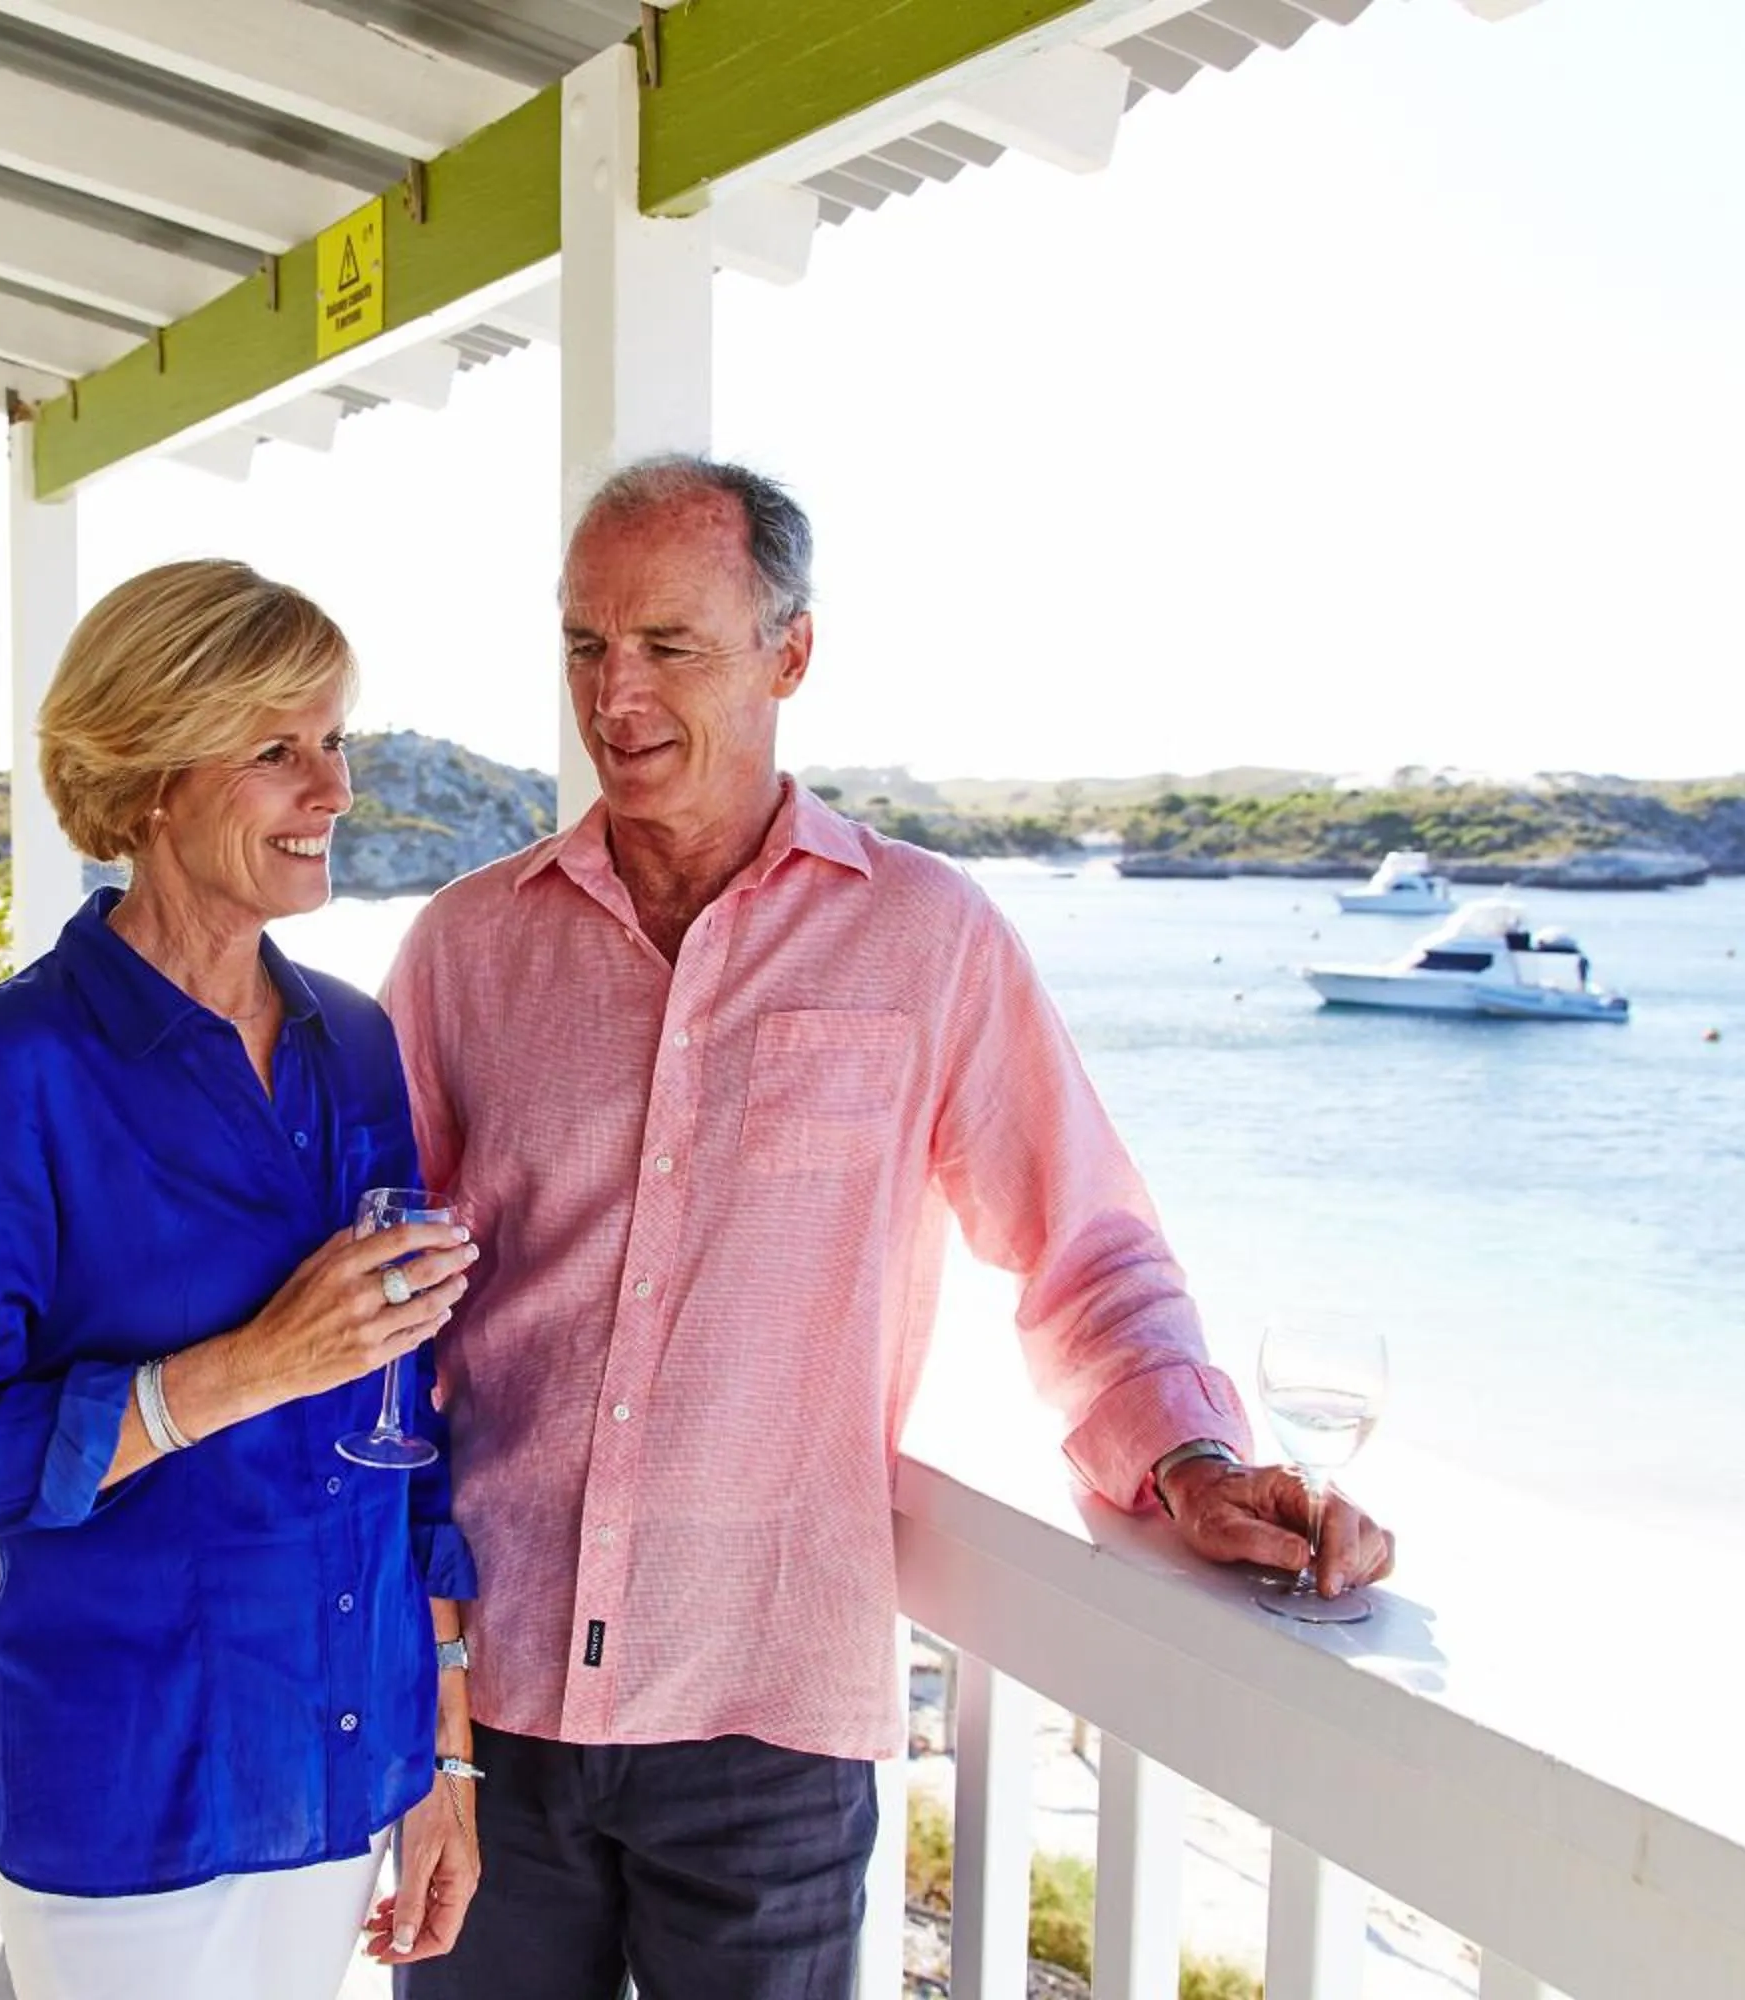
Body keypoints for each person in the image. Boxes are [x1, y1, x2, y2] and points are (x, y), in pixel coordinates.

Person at [382, 457, 1397, 1999]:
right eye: (588, 645)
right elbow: (382, 1320)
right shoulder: (466, 949)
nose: (618, 694)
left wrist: (1188, 1459)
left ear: (792, 654)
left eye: (672, 644)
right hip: (494, 1705)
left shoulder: (927, 939)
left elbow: (1084, 1243)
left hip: (768, 1720)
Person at [0, 559, 486, 2000]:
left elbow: (407, 1432)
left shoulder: (354, 1040)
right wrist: (245, 1371)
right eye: (277, 751)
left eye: (337, 742)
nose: (332, 790)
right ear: (147, 781)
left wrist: (443, 1755)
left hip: (341, 1756)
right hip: (129, 1778)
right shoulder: (16, 1065)